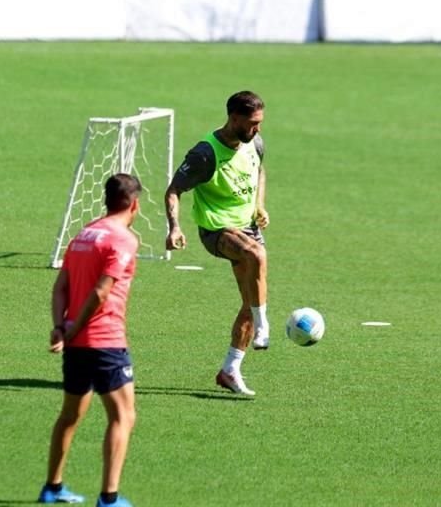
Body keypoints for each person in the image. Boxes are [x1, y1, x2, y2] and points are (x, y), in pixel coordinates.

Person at [39, 173, 141, 507]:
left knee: (70, 415)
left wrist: (61, 326)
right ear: (135, 204)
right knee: (123, 416)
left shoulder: (83, 234)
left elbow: (59, 288)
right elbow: (101, 292)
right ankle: (109, 498)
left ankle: (52, 488)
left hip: (76, 345)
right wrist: (73, 327)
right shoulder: (122, 239)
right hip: (105, 341)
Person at [164, 91, 269, 397]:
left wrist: (260, 205)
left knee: (251, 300)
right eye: (252, 123)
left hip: (248, 227)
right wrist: (175, 228)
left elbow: (260, 172)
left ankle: (230, 369)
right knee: (257, 254)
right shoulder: (205, 154)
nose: (257, 129)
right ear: (234, 118)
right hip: (217, 231)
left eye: (260, 123)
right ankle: (265, 327)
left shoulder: (255, 144)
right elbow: (174, 190)